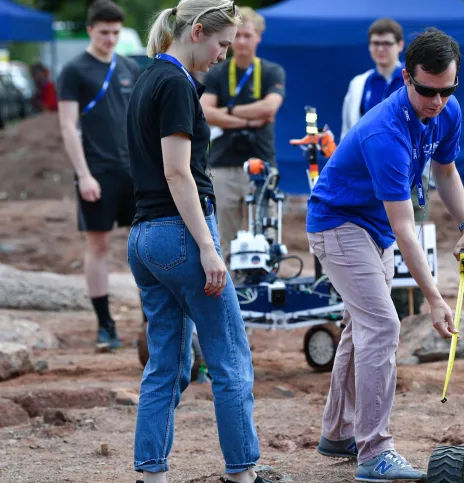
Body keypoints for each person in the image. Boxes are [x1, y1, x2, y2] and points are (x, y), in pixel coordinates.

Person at [307, 27, 464, 482]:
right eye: (427, 90)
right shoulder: (384, 131)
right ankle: (374, 452)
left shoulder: (447, 109)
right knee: (382, 325)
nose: (438, 101)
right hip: (338, 224)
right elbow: (407, 228)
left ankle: (339, 432)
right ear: (407, 77)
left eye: (448, 90)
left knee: (359, 327)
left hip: (374, 230)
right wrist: (435, 297)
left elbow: (445, 171)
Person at [125, 2, 271, 482]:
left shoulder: (148, 78)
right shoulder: (174, 84)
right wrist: (209, 246)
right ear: (198, 31)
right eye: (222, 45)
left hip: (144, 236)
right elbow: (176, 171)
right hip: (181, 234)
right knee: (230, 357)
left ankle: (151, 472)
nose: (223, 55)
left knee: (167, 361)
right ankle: (243, 471)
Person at [57, 0, 141, 352]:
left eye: (115, 33)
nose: (110, 38)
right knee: (99, 245)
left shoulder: (129, 67)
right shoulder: (74, 70)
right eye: (104, 32)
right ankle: (105, 325)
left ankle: (152, 319)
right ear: (90, 30)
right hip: (97, 173)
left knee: (144, 245)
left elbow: (140, 123)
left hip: (133, 173)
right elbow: (67, 125)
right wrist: (84, 175)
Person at [341, 18, 431, 320]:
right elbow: (348, 130)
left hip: (409, 175)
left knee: (410, 235)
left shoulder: (413, 80)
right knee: (374, 239)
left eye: (387, 43)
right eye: (375, 43)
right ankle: (380, 304)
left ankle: (413, 307)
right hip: (368, 179)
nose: (381, 49)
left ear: (399, 46)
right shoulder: (359, 84)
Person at [200, 6, 285, 247]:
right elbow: (205, 112)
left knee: (264, 236)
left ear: (258, 36)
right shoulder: (217, 71)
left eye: (248, 35)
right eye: (237, 35)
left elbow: (270, 108)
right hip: (223, 163)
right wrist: (248, 120)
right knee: (224, 237)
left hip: (261, 162)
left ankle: (261, 283)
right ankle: (229, 285)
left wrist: (225, 112)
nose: (242, 41)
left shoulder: (271, 71)